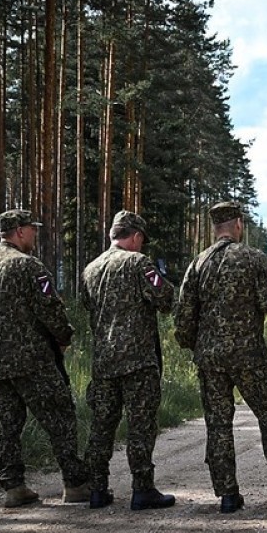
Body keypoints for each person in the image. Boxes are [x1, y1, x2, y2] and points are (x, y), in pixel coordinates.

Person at [174, 201, 267, 514]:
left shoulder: (198, 263)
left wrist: (194, 345)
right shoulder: (254, 258)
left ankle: (227, 495)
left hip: (210, 359)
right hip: (248, 356)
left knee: (218, 424)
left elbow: (183, 316)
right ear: (238, 224)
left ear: (215, 227)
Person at [0, 209, 88, 507]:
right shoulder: (29, 265)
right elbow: (50, 308)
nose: (35, 233)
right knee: (60, 415)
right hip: (32, 360)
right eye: (32, 228)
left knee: (8, 424)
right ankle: (74, 484)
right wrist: (64, 337)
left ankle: (13, 487)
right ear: (19, 231)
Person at [80, 210, 176, 510]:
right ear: (135, 236)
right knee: (140, 427)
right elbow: (165, 299)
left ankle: (97, 489)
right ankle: (142, 489)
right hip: (138, 362)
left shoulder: (90, 269)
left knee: (101, 427)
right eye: (142, 239)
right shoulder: (138, 263)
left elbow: (86, 305)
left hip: (104, 362)